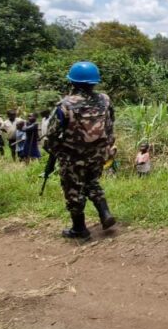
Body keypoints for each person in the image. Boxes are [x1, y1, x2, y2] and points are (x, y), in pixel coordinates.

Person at [43, 61, 118, 240]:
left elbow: (52, 133)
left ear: (72, 82)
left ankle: (79, 229)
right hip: (98, 153)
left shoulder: (65, 104)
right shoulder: (105, 99)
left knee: (73, 189)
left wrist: (55, 150)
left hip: (73, 156)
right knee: (91, 181)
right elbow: (110, 123)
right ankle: (105, 213)